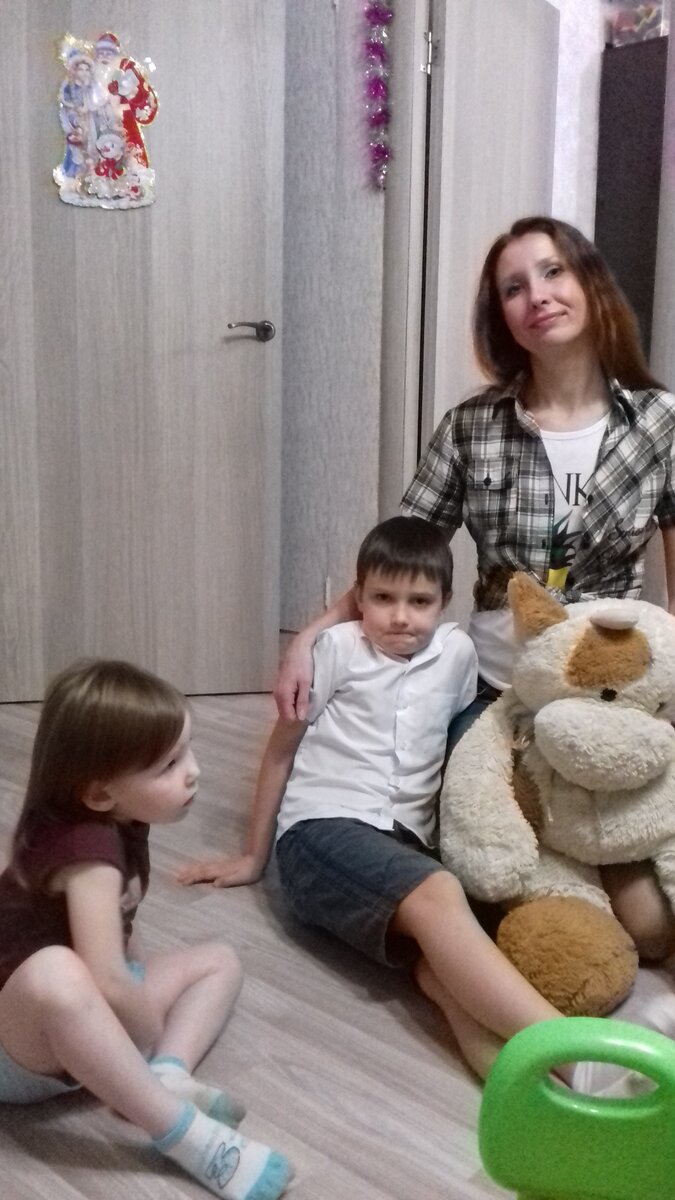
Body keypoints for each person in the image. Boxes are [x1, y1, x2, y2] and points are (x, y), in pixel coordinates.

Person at [274, 215, 675, 963]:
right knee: (493, 869)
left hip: (606, 696)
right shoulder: (471, 427)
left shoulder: (659, 423)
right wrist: (311, 635)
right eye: (513, 288)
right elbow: (400, 555)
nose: (537, 296)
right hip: (497, 693)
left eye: (552, 272)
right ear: (502, 317)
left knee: (649, 926)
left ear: (589, 284)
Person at [179, 516, 577, 1082]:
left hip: (405, 839)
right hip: (322, 830)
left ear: (444, 602)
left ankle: (530, 1086)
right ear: (358, 596)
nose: (400, 616)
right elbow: (280, 750)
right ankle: (582, 1055)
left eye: (420, 601)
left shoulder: (457, 653)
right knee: (438, 893)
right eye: (383, 598)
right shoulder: (336, 649)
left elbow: (450, 740)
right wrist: (252, 856)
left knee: (440, 962)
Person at [0, 659, 293, 1200]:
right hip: (18, 1046)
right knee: (56, 973)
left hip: (76, 1014)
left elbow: (117, 932)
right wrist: (142, 1029)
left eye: (187, 751)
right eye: (168, 765)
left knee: (220, 960)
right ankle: (182, 1132)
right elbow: (107, 977)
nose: (193, 771)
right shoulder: (87, 851)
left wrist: (136, 993)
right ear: (99, 794)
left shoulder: (122, 820)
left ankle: (166, 1075)